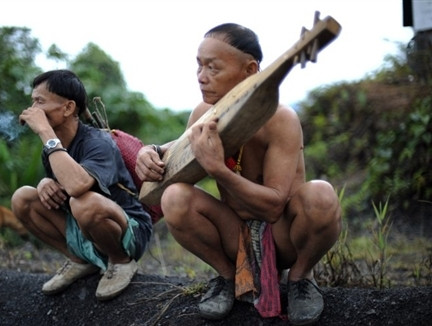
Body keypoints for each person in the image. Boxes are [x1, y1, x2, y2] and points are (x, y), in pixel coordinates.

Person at [135, 23, 341, 324]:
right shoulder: (204, 114)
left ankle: (300, 280)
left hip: (284, 236)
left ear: (250, 70)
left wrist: (218, 169)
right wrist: (149, 150)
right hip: (235, 236)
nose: (201, 77)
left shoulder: (281, 119)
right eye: (199, 66)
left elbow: (273, 207)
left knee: (321, 195)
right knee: (175, 197)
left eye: (213, 68)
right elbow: (180, 148)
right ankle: (227, 276)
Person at [11, 69, 152, 301]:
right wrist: (46, 182)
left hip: (129, 230)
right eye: (32, 102)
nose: (33, 110)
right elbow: (63, 184)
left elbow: (77, 187)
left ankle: (120, 262)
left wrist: (46, 132)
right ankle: (81, 260)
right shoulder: (52, 147)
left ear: (68, 108)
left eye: (40, 102)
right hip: (85, 226)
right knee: (23, 198)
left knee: (84, 203)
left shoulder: (97, 142)